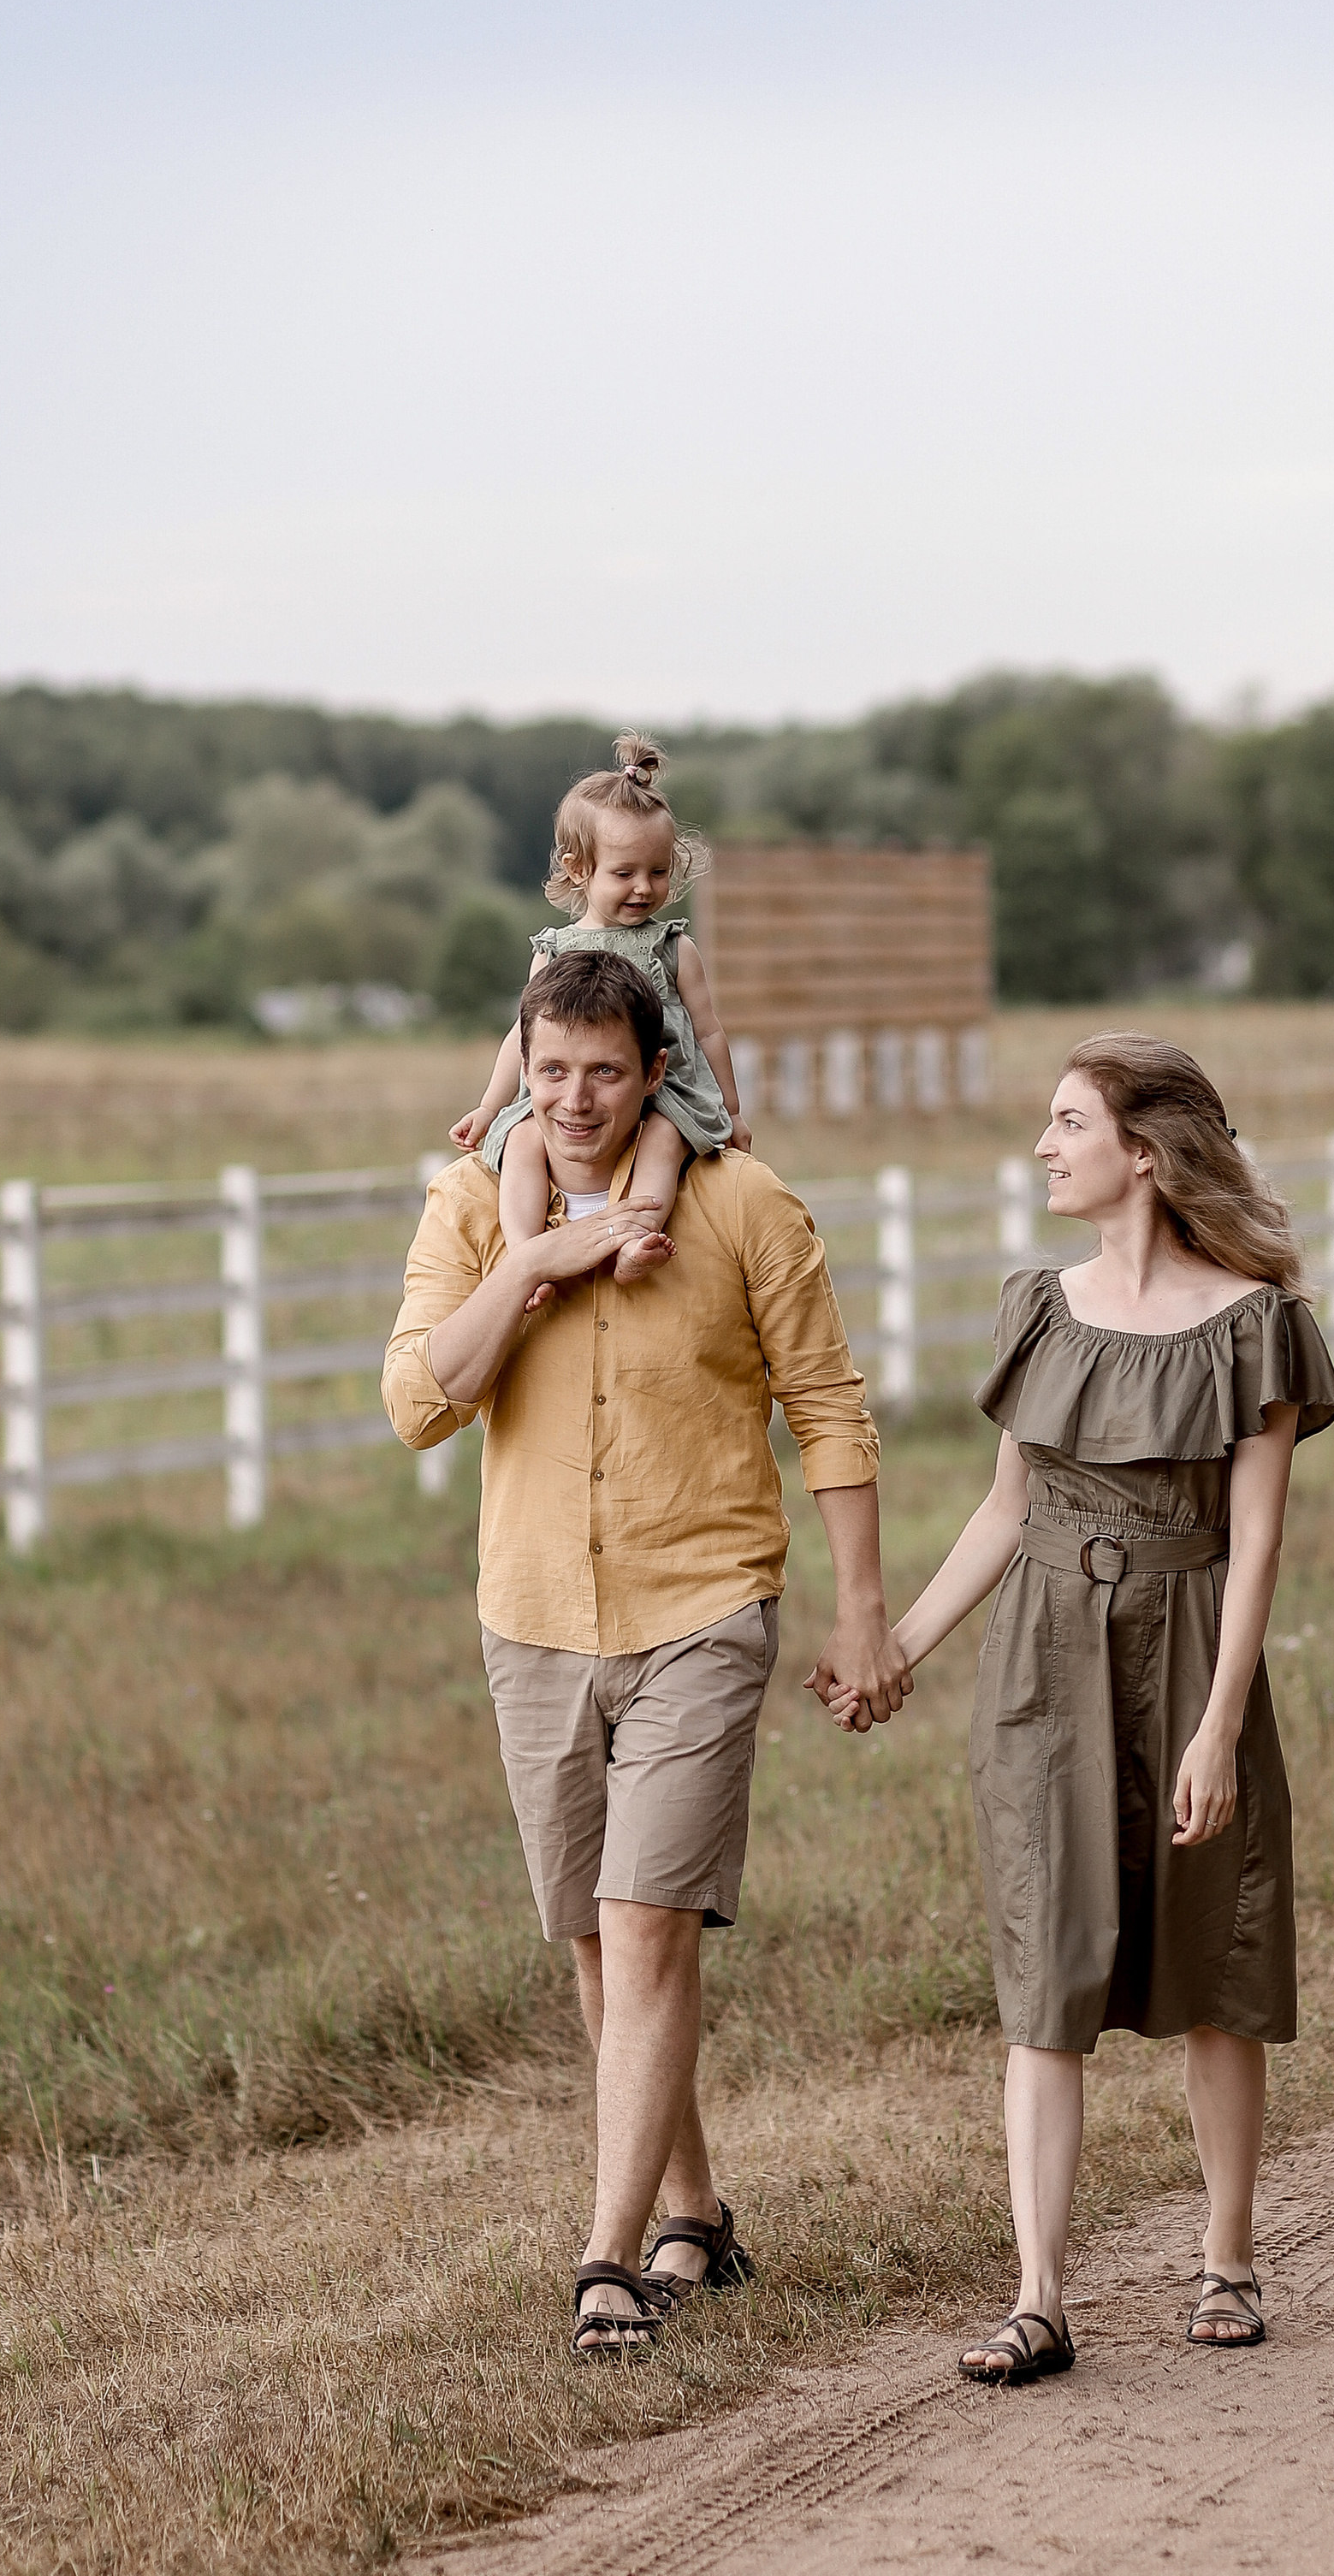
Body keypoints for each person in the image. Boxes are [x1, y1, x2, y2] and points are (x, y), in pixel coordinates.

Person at [387, 944, 910, 2361]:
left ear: (655, 1070)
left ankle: (607, 2260)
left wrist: (864, 1612)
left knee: (648, 1923)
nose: (573, 1100)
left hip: (704, 1607)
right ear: (521, 1069)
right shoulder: (470, 1210)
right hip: (536, 1619)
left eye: (604, 1073)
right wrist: (541, 1259)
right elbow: (417, 1405)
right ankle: (695, 2211)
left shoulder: (743, 1208)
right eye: (549, 1072)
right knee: (596, 1945)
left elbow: (831, 1414)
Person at [819, 1034, 1334, 2385]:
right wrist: (902, 1651)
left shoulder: (1258, 1324)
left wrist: (1220, 1725)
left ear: (1146, 1152)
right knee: (1043, 1972)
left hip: (1188, 1641)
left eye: (1067, 1124)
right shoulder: (1040, 1309)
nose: (1045, 1147)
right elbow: (1007, 1508)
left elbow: (1258, 1545)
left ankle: (1228, 2257)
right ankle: (1040, 2298)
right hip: (1043, 1659)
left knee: (1212, 1960)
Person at [451, 736, 747, 1285]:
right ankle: (526, 1257)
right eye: (625, 873)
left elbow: (708, 1032)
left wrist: (731, 1109)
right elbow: (522, 1037)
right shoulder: (554, 952)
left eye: (658, 872)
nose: (644, 888)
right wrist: (489, 1109)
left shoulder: (674, 948)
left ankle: (635, 1239)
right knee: (521, 1144)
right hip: (572, 1093)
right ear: (579, 868)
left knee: (661, 1141)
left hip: (666, 1093)